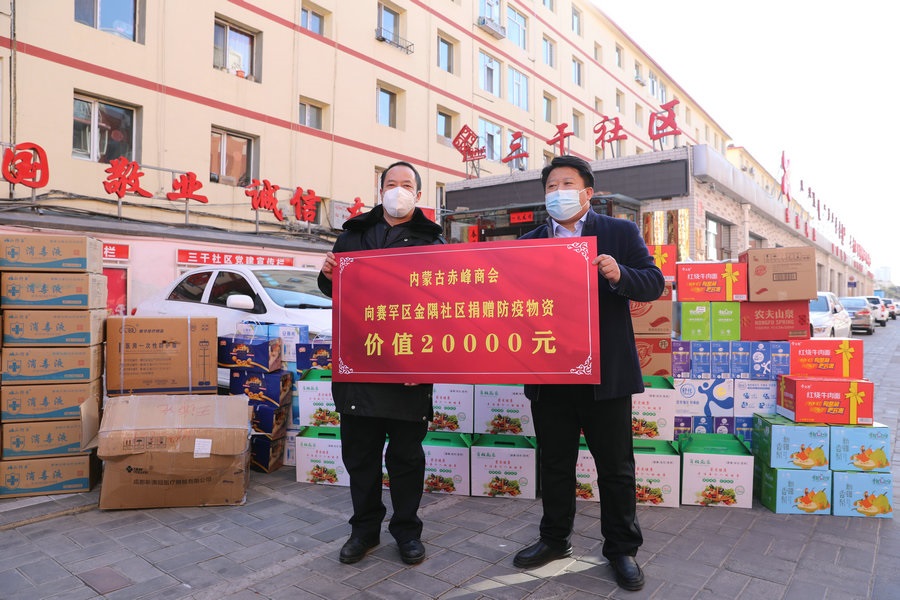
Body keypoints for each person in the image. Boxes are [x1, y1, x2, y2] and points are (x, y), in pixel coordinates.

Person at [513, 155, 665, 592]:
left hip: (606, 374)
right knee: (555, 464)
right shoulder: (529, 242)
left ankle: (621, 549)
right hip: (550, 373)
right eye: (551, 186)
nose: (558, 192)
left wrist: (620, 274)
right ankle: (554, 539)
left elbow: (653, 282)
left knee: (615, 468)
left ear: (587, 192)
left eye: (567, 184)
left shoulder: (619, 232)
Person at [317, 161, 445, 566]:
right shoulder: (353, 235)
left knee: (406, 458)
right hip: (360, 365)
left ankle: (407, 531)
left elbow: (446, 307)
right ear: (381, 190)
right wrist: (327, 274)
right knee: (361, 457)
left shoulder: (432, 242)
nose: (398, 190)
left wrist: (426, 365)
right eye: (391, 183)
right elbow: (335, 292)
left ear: (418, 195)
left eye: (406, 184)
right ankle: (364, 530)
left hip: (409, 370)